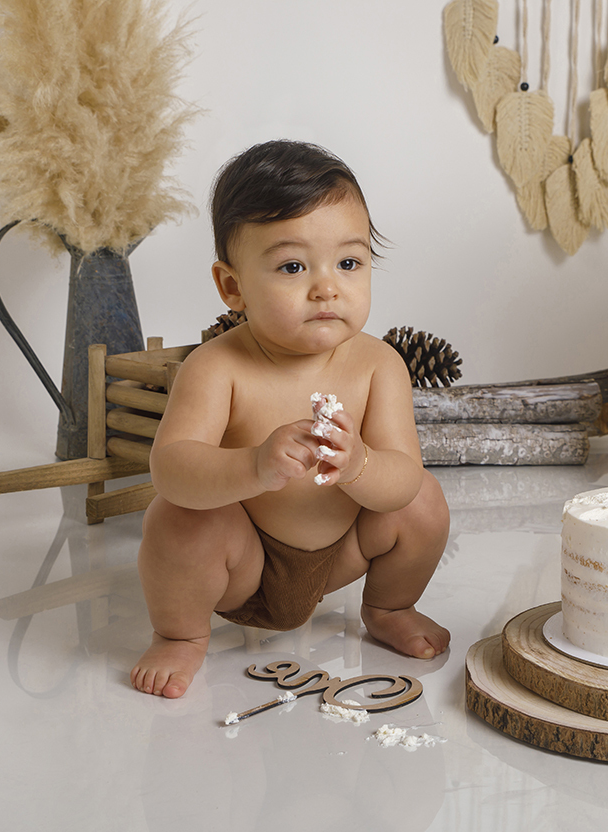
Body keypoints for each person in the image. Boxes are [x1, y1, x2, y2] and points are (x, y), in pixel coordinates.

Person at [130, 140, 451, 698]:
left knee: (423, 500)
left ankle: (389, 605)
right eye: (292, 266)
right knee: (175, 518)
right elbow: (172, 469)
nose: (327, 286)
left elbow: (400, 482)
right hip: (242, 564)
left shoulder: (379, 365)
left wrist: (359, 464)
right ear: (233, 287)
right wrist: (253, 467)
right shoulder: (216, 367)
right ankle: (180, 635)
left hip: (338, 557)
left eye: (348, 262)